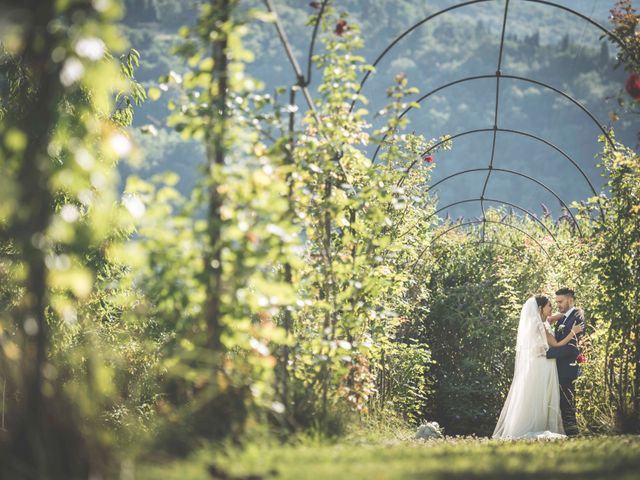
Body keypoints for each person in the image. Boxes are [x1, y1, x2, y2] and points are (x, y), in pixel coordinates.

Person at [492, 294, 582, 439]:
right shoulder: (539, 325)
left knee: (540, 395)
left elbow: (555, 317)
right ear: (541, 308)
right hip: (543, 365)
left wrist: (569, 311)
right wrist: (573, 332)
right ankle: (538, 426)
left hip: (543, 363)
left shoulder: (541, 321)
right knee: (541, 395)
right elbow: (556, 344)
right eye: (549, 306)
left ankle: (540, 425)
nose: (552, 307)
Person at [545, 287, 585, 436]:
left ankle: (573, 432)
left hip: (568, 367)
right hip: (559, 367)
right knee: (562, 402)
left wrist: (549, 354)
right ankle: (568, 432)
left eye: (561, 301)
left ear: (570, 299)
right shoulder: (562, 317)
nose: (558, 305)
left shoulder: (578, 316)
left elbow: (572, 348)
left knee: (568, 402)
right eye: (556, 302)